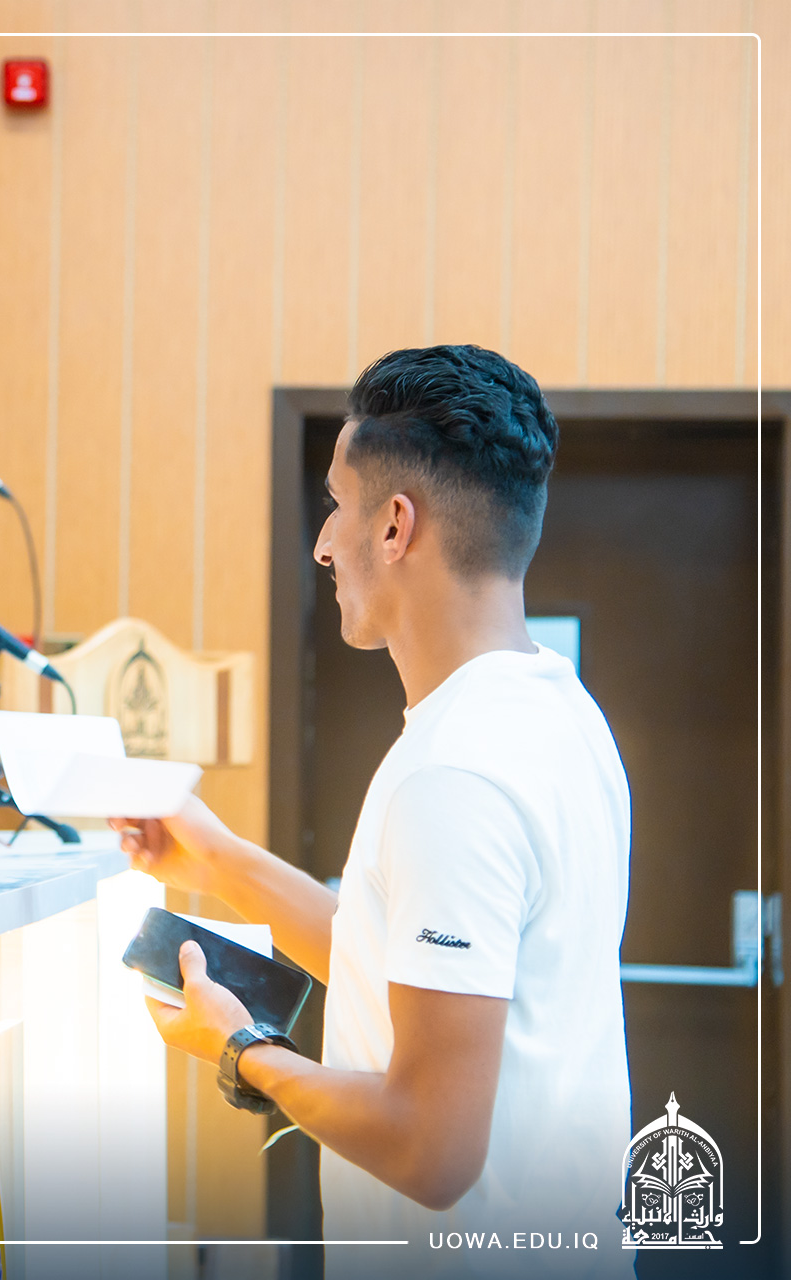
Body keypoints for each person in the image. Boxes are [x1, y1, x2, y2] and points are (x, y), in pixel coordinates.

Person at [114, 346, 631, 1277]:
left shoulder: (455, 775)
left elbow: (431, 1148)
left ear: (394, 526)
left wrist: (242, 1051)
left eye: (336, 506)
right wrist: (217, 859)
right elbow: (402, 964)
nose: (322, 544)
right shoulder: (559, 712)